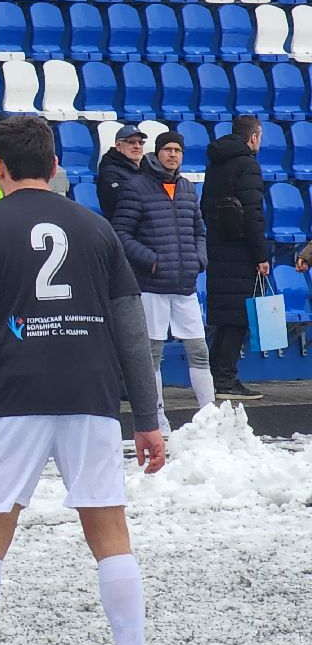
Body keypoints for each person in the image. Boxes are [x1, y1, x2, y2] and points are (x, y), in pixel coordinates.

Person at [0, 115, 166, 645]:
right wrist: (148, 419)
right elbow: (132, 333)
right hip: (92, 396)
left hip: (13, 398)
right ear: (55, 164)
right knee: (110, 533)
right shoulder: (97, 229)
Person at [111, 130, 213, 433]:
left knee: (198, 350)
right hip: (152, 286)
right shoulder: (137, 187)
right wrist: (151, 260)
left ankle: (210, 417)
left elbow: (199, 231)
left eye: (178, 150)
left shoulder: (187, 189)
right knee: (152, 354)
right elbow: (121, 233)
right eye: (167, 149)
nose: (173, 155)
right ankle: (156, 416)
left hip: (184, 286)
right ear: (158, 153)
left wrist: (199, 259)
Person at [202, 115, 270, 402]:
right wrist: (261, 255)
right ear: (253, 137)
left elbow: (205, 205)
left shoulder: (215, 163)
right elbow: (253, 214)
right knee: (238, 317)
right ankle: (226, 378)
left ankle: (218, 375)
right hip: (241, 251)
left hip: (217, 246)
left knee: (225, 316)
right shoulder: (248, 165)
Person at [95, 124, 146, 220]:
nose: (137, 146)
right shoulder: (109, 172)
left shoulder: (148, 167)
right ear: (118, 145)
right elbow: (125, 200)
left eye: (140, 142)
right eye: (131, 142)